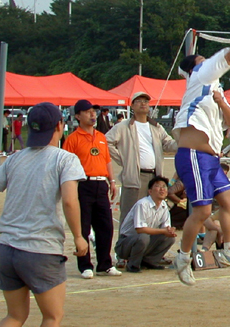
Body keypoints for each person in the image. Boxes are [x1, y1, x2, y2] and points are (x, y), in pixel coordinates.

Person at [0, 102, 88, 327]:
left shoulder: (15, 159)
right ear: (59, 126)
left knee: (14, 315)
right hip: (41, 250)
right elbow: (70, 201)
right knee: (52, 316)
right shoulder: (65, 159)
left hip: (7, 249)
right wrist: (79, 236)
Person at [172, 16, 230, 286]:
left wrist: (221, 102)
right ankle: (183, 257)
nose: (206, 60)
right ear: (194, 67)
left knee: (228, 201)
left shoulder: (215, 89)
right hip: (193, 155)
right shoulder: (200, 75)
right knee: (201, 212)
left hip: (211, 158)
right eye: (202, 58)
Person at [63, 100, 121, 278]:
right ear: (78, 116)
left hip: (100, 183)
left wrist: (111, 181)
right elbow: (66, 165)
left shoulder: (101, 137)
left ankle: (105, 264)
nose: (92, 115)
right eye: (87, 112)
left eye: (94, 111)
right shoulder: (73, 139)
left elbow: (107, 161)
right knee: (83, 226)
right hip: (83, 184)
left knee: (105, 226)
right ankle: (85, 265)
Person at [106, 91, 177, 226]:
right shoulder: (123, 126)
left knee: (152, 214)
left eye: (146, 101)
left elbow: (168, 144)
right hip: (134, 177)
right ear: (132, 106)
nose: (143, 104)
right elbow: (106, 142)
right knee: (129, 215)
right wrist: (123, 159)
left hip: (154, 176)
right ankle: (126, 240)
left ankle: (148, 239)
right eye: (139, 101)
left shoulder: (156, 127)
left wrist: (183, 141)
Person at [114, 176, 176, 273]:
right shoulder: (142, 204)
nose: (162, 189)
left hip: (145, 241)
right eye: (158, 186)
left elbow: (165, 228)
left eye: (164, 186)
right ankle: (133, 265)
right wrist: (164, 231)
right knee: (143, 237)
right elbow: (140, 229)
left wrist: (170, 231)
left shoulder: (164, 206)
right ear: (150, 191)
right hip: (125, 243)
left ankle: (149, 262)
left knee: (169, 238)